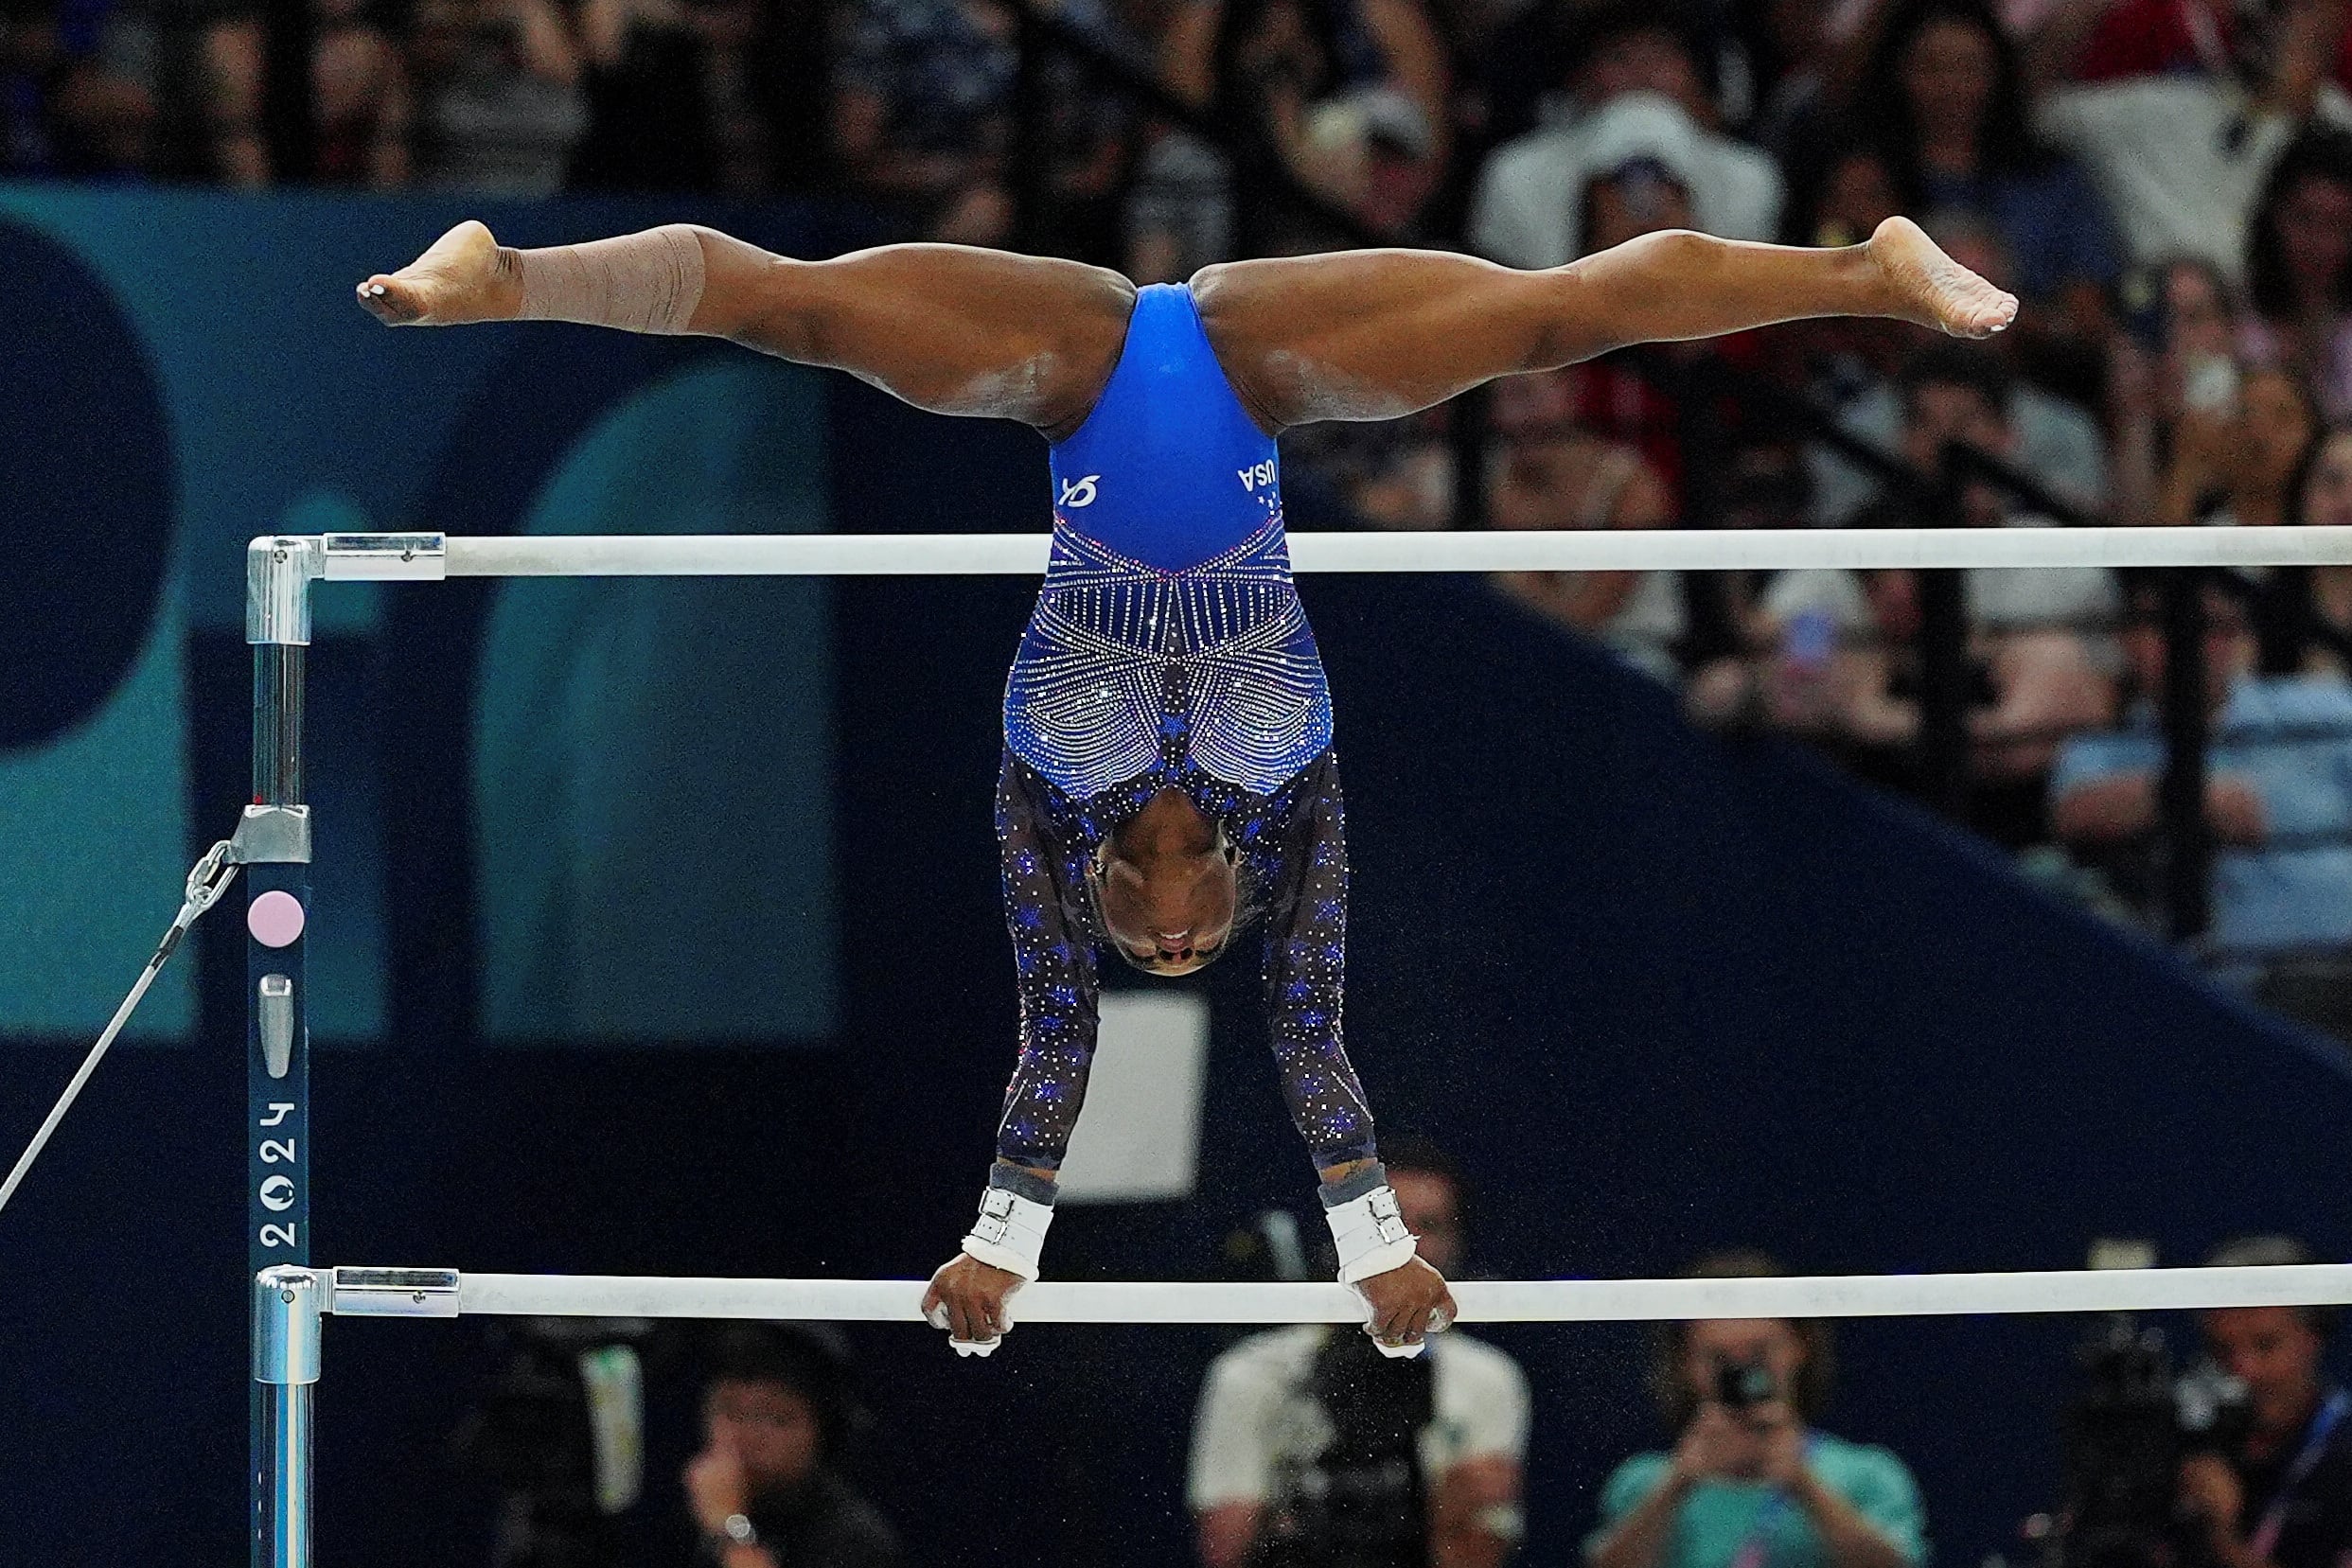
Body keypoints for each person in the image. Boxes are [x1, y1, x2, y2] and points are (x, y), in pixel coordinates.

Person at [356, 207, 2015, 1358]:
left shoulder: (1036, 793)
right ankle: (1868, 273)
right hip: (1262, 370)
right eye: (1187, 952)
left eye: (1144, 950)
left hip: (1070, 379)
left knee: (783, 305)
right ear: (1225, 912)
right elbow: (1310, 1034)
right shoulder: (1291, 791)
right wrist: (1382, 1258)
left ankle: (504, 276)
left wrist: (999, 1246)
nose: (1165, 941)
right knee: (1546, 314)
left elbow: (1048, 1033)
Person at [1187, 1136, 1529, 1568]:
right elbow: (1225, 1551)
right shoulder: (1250, 1374)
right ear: (1346, 1233)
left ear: (1457, 1242)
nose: (1410, 1248)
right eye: (1392, 1225)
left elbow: (1477, 1555)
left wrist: (1455, 1503)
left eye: (1432, 1227)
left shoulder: (1488, 1381)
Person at [2050, 578, 2352, 965]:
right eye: (2160, 623)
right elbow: (2074, 813)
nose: (2186, 640)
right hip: (2220, 992)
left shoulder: (2323, 711)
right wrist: (2189, 794)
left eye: (2210, 625)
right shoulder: (2100, 748)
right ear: (2128, 640)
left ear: (2237, 637)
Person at [1585, 1250, 1928, 1568]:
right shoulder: (1643, 1483)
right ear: (1684, 1364)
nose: (1742, 1372)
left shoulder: (1868, 1476)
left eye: (1759, 1353)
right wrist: (1677, 1485)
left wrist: (1803, 1485)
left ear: (1799, 1347)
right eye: (1718, 1359)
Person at [2181, 1236, 2352, 1568]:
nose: (2243, 1369)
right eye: (2221, 1348)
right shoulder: (2185, 1441)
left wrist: (2224, 1539)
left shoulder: (2343, 1449)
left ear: (2314, 1336)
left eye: (2265, 1345)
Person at [680, 1325, 902, 1568]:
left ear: (822, 1432)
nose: (746, 1437)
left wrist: (728, 1529)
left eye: (775, 1418)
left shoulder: (855, 1541)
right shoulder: (680, 1514)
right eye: (732, 1412)